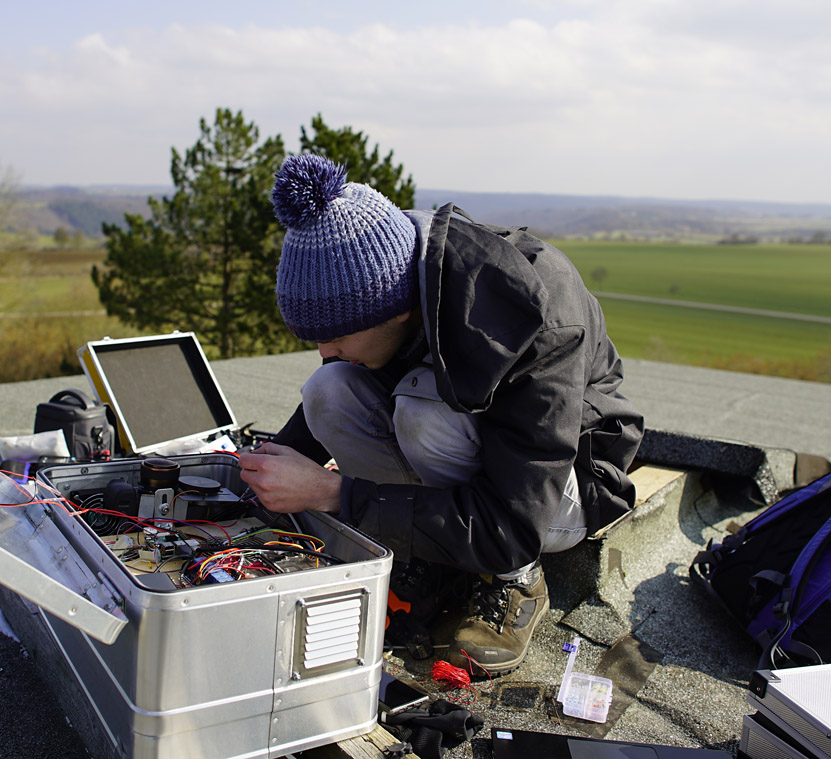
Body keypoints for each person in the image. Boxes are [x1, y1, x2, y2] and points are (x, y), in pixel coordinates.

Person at [239, 153, 644, 676]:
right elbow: (333, 389)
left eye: (337, 334)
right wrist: (253, 478)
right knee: (328, 389)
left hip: (559, 493)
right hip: (483, 474)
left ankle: (517, 583)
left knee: (422, 416)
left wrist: (331, 493)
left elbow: (513, 525)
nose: (324, 348)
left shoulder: (533, 312)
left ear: (395, 308)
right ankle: (429, 557)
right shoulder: (396, 263)